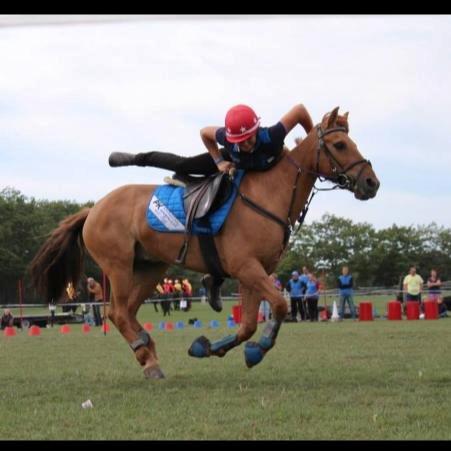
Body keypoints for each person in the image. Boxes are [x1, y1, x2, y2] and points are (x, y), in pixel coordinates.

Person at [108, 103, 314, 312]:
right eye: (239, 142)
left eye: (249, 139)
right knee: (183, 166)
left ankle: (214, 280)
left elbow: (300, 110)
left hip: (263, 173)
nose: (245, 145)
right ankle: (136, 158)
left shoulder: (273, 135)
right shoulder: (228, 139)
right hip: (233, 165)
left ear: (256, 131)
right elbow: (205, 132)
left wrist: (309, 137)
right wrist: (218, 161)